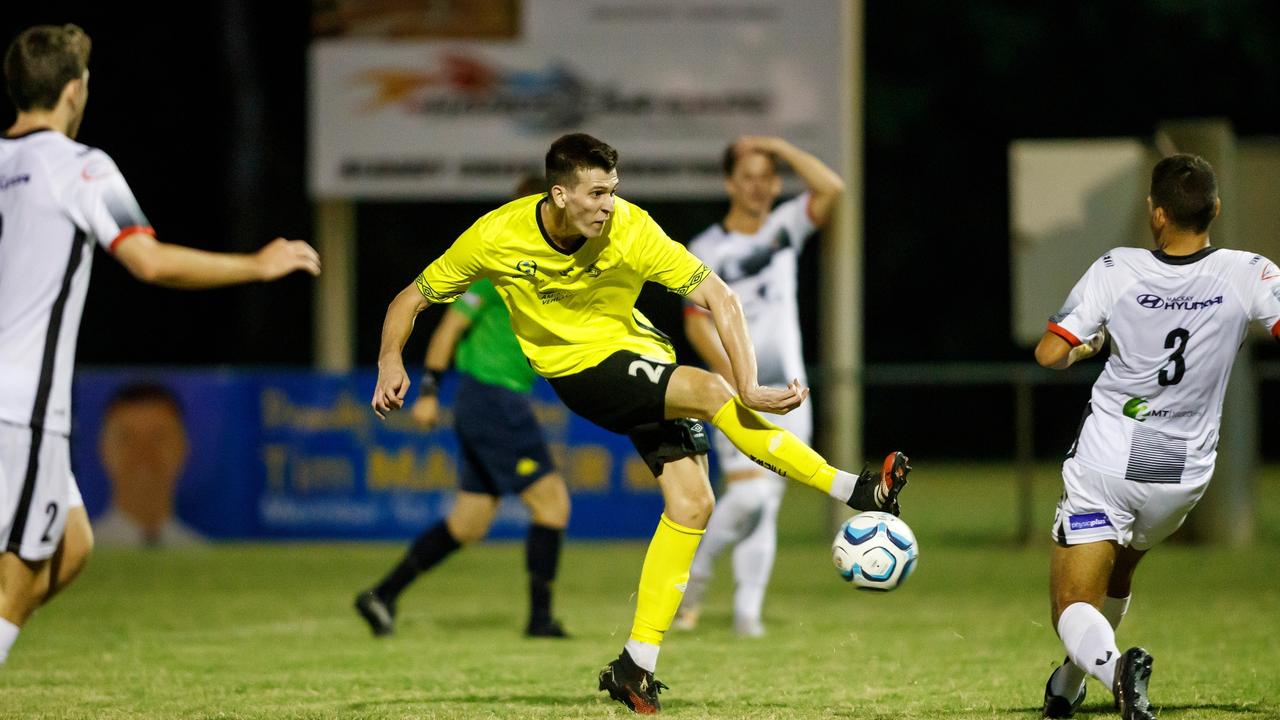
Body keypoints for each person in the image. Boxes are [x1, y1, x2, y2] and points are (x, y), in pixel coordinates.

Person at [371, 132, 910, 714]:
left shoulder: (631, 227)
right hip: (579, 372)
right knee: (709, 390)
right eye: (597, 193)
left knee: (693, 504)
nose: (609, 204)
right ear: (559, 195)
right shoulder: (497, 235)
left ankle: (635, 666)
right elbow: (410, 299)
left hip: (640, 355)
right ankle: (855, 490)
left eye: (613, 191)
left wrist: (750, 382)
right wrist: (390, 361)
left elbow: (719, 296)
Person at [0, 24, 321, 666]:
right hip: (21, 403)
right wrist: (255, 266)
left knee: (74, 541)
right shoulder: (80, 165)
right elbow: (147, 261)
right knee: (16, 582)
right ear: (73, 90)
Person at [1034, 154, 1280, 720]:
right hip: (1182, 473)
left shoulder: (1117, 267)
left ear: (1156, 213)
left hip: (1111, 458)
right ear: (1215, 209)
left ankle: (1115, 668)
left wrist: (1091, 343)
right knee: (1118, 570)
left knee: (1071, 604)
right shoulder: (1251, 271)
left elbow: (1050, 353)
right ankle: (1068, 682)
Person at [354, 175, 571, 639]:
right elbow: (448, 329)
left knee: (468, 521)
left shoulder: (547, 271)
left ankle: (382, 595)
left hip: (491, 400)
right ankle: (540, 620)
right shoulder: (501, 270)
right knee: (552, 503)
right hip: (492, 398)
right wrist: (430, 389)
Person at [675, 136, 844, 638]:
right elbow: (693, 321)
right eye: (747, 176)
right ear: (730, 183)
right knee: (748, 498)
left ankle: (747, 614)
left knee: (766, 503)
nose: (758, 186)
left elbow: (831, 188)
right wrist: (735, 379)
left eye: (766, 176)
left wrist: (776, 147)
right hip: (736, 389)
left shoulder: (784, 227)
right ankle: (694, 581)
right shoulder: (705, 249)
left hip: (790, 391)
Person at [94, 382, 203, 547]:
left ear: (183, 447)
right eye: (126, 438)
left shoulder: (199, 553)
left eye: (158, 437)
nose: (143, 453)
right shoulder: (81, 556)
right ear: (104, 449)